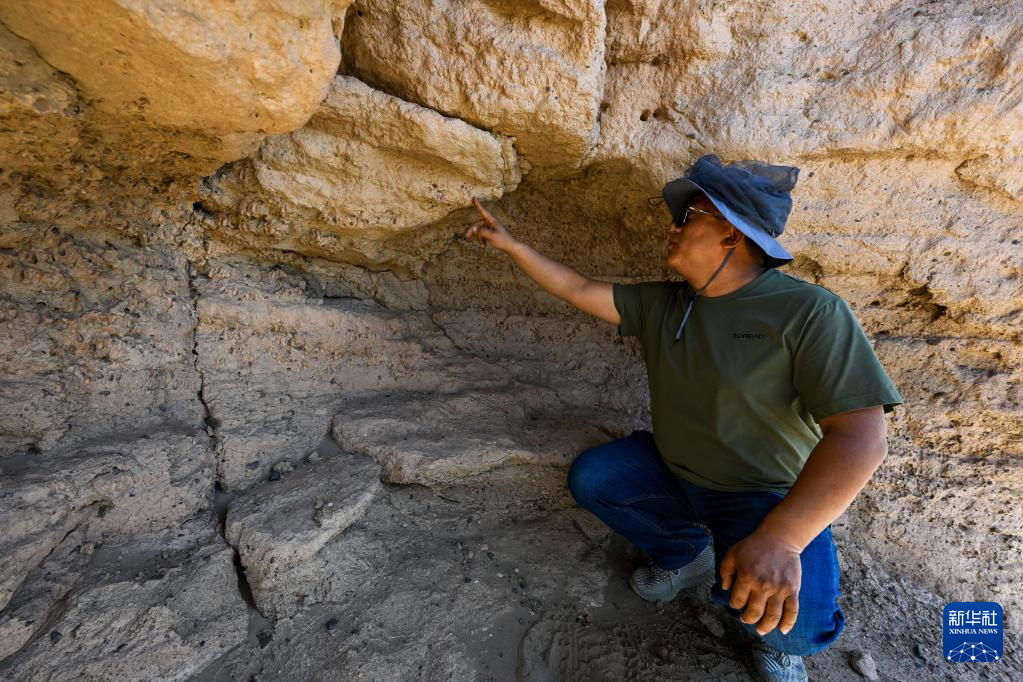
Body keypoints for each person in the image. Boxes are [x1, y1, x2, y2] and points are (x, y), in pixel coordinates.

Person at [464, 154, 904, 682]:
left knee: (800, 628)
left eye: (689, 215)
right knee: (596, 477)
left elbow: (861, 439)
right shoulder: (668, 304)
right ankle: (687, 554)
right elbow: (578, 289)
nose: (672, 226)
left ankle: (777, 646)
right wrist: (513, 247)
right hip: (676, 473)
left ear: (732, 235)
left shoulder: (809, 311)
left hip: (765, 497)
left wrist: (782, 540)